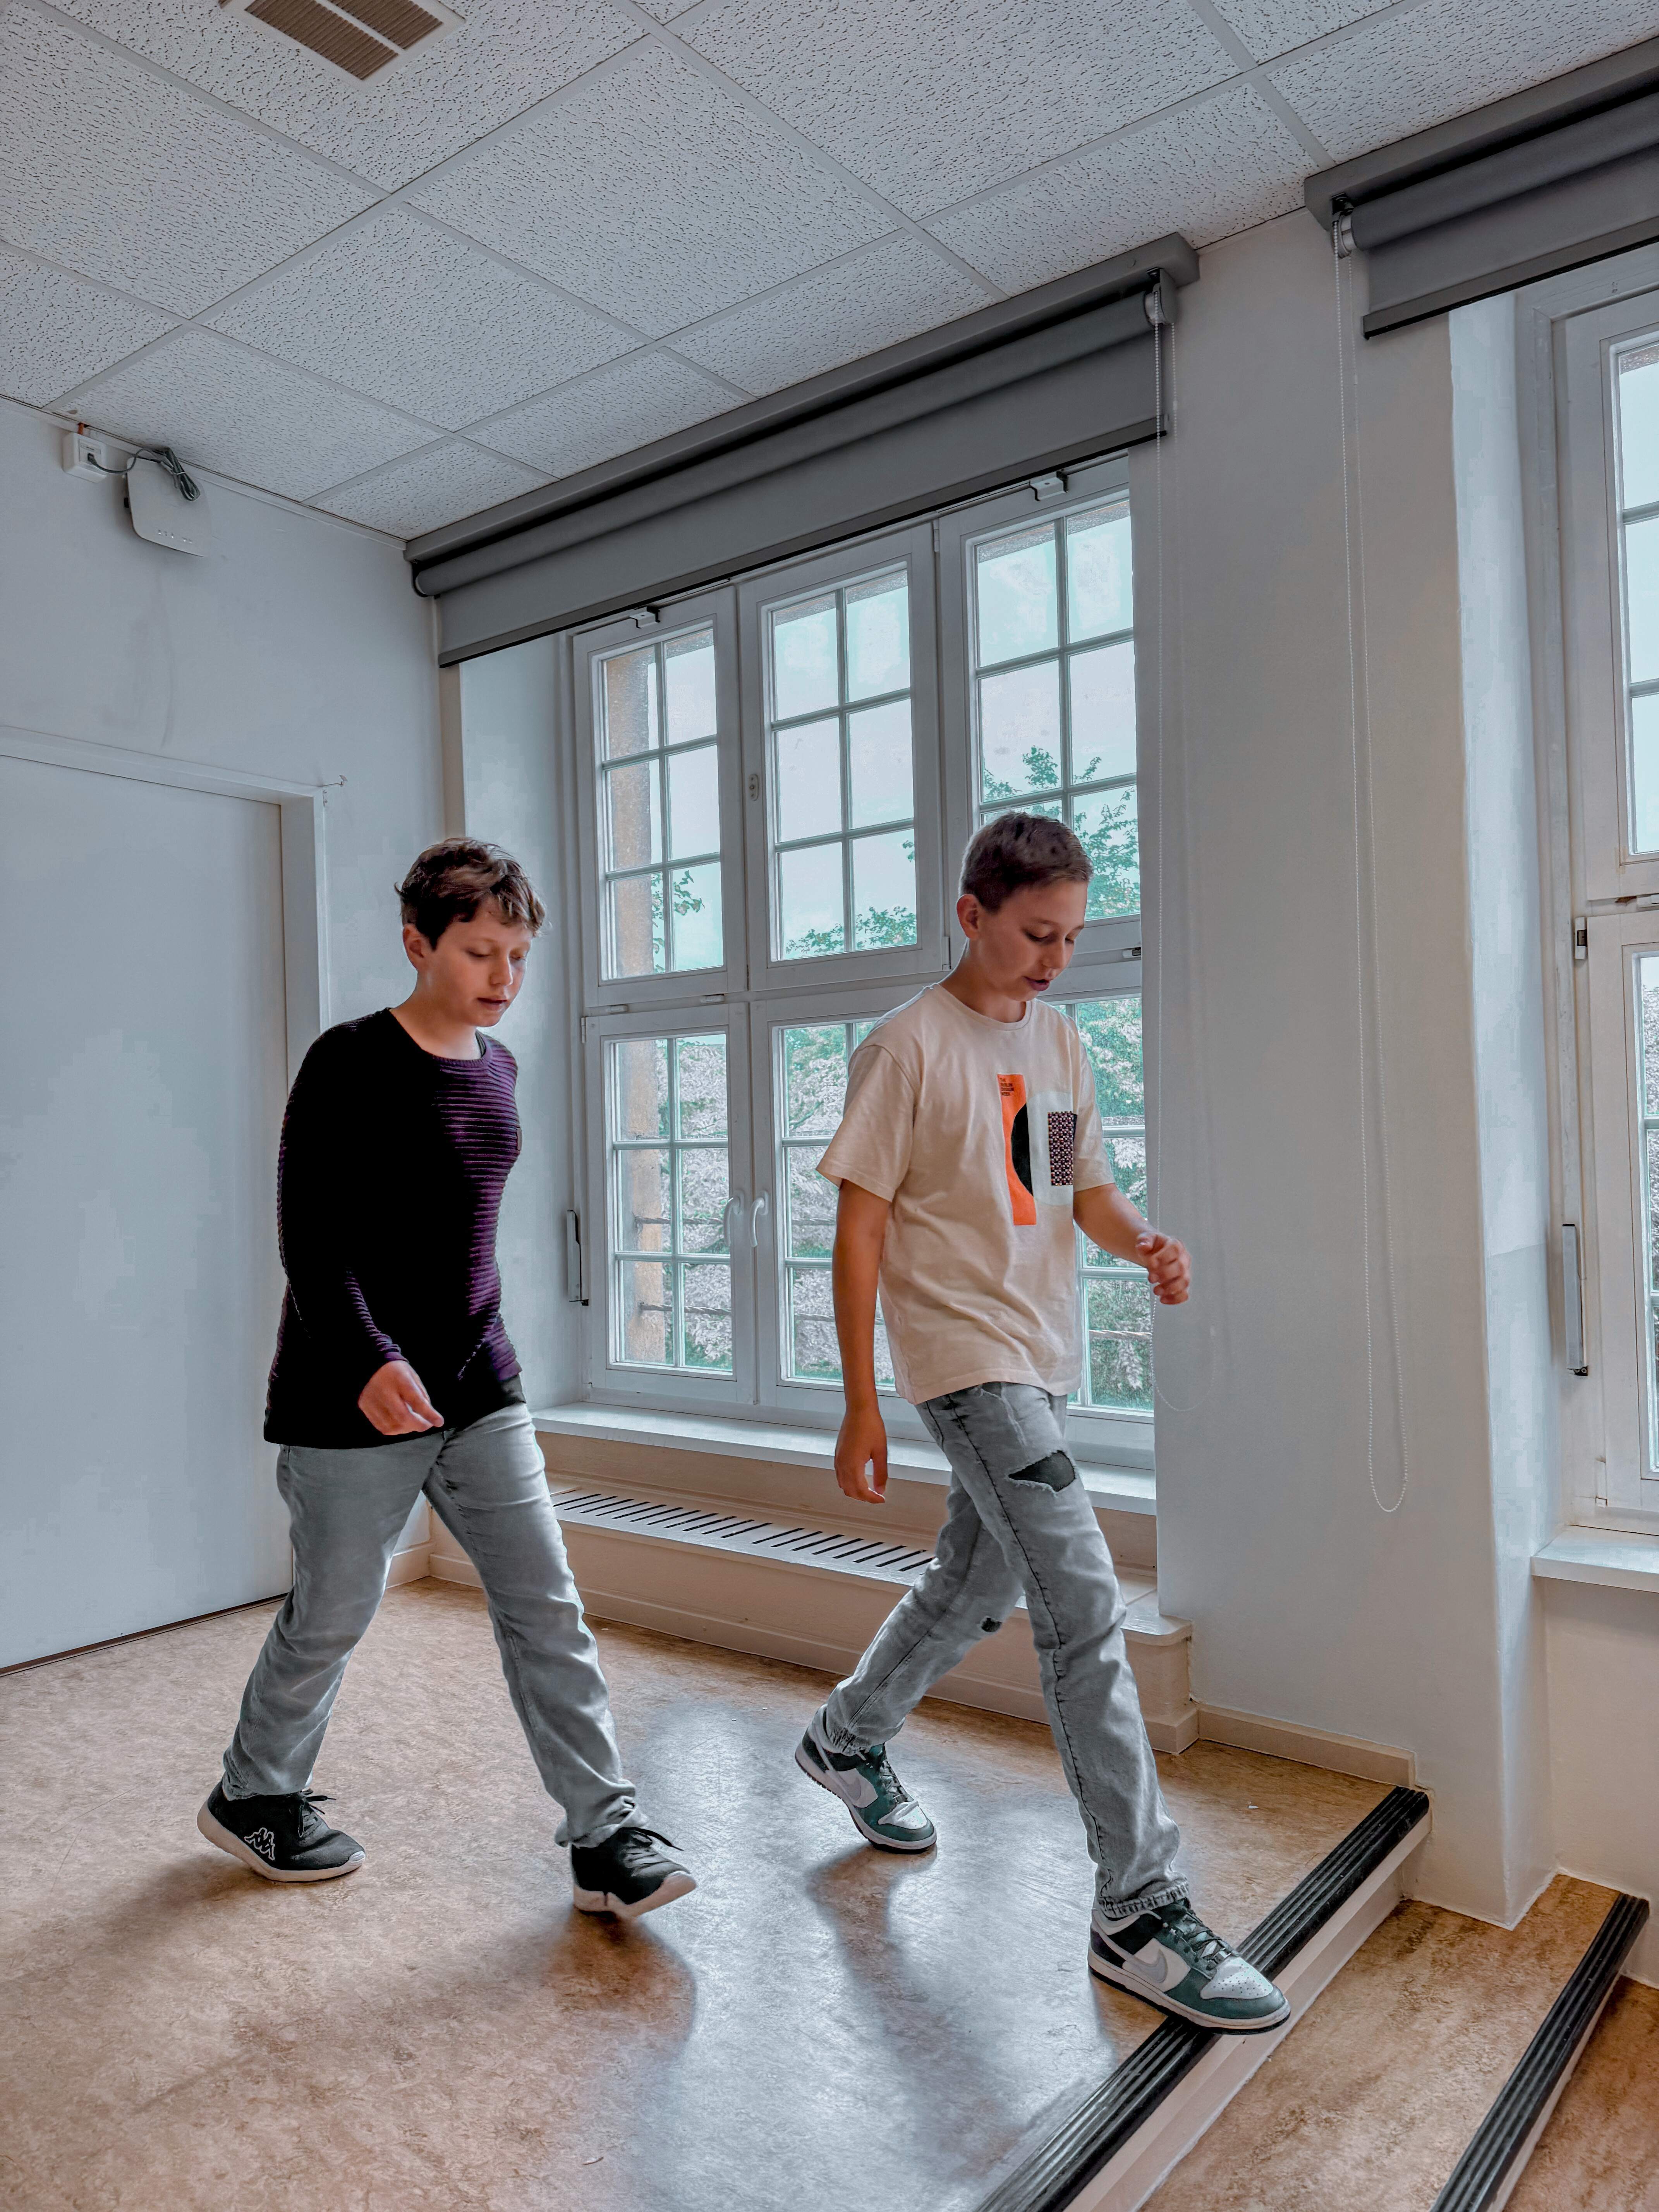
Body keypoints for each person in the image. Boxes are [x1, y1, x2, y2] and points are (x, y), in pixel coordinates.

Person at [795, 814, 1287, 2033]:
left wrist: (1145, 1242)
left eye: (1069, 937)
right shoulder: (905, 1050)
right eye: (1034, 935)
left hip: (1039, 1356)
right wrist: (859, 1400)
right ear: (971, 915)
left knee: (973, 1585)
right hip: (965, 1362)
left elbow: (1072, 1189)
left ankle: (846, 1740)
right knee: (1082, 1604)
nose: (1055, 960)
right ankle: (1139, 1906)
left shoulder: (1058, 1044)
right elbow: (858, 1231)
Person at [198, 838, 694, 1921]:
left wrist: (475, 1359)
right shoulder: (347, 1060)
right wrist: (371, 1359)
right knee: (333, 1612)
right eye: (480, 953)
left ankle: (605, 1833)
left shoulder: (499, 1068)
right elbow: (310, 1239)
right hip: (351, 1392)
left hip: (479, 1386)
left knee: (545, 1605)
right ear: (418, 944)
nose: (503, 977)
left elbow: (466, 1239)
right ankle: (254, 1794)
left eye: (517, 956)